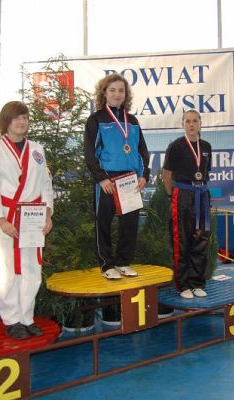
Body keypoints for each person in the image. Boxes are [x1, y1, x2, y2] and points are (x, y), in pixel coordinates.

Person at [0, 101, 53, 340]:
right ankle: (12, 320)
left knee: (32, 269)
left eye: (24, 117)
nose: (21, 122)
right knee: (9, 270)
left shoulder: (37, 149)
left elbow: (45, 184)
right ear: (6, 121)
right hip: (8, 216)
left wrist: (48, 214)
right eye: (16, 118)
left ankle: (27, 317)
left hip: (33, 217)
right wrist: (1, 220)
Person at [84, 73, 150, 280]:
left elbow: (142, 150)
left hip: (130, 179)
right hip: (107, 180)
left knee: (129, 224)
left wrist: (144, 175)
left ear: (126, 94)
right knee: (103, 223)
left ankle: (123, 262)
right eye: (112, 90)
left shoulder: (133, 121)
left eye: (121, 90)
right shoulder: (96, 120)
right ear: (104, 93)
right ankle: (106, 265)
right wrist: (101, 178)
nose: (117, 94)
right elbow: (89, 153)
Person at [163, 109, 212, 299]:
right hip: (182, 195)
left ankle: (197, 283)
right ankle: (182, 285)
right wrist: (171, 196)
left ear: (200, 123)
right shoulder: (176, 146)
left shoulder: (206, 146)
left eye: (194, 121)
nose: (191, 125)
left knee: (201, 239)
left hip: (202, 195)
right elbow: (167, 175)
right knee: (182, 240)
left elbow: (205, 173)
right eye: (188, 121)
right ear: (183, 124)